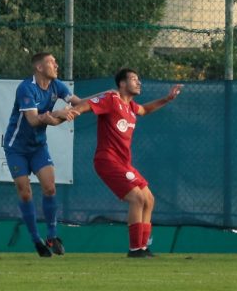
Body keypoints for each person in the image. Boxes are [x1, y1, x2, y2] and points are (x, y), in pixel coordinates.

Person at [71, 68, 182, 258]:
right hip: (107, 160)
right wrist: (74, 111)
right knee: (137, 199)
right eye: (133, 79)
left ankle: (143, 247)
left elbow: (145, 110)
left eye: (139, 79)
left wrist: (167, 99)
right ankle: (135, 249)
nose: (138, 82)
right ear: (122, 84)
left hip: (124, 163)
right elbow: (87, 105)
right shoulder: (112, 99)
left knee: (149, 199)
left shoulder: (130, 107)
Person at [3, 52, 82, 257]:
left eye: (56, 61)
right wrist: (57, 114)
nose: (56, 65)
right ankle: (36, 240)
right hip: (16, 148)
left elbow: (79, 103)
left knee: (49, 187)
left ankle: (52, 236)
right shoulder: (26, 87)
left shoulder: (57, 85)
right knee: (25, 191)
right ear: (39, 67)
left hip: (38, 147)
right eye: (51, 62)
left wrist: (103, 100)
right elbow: (33, 120)